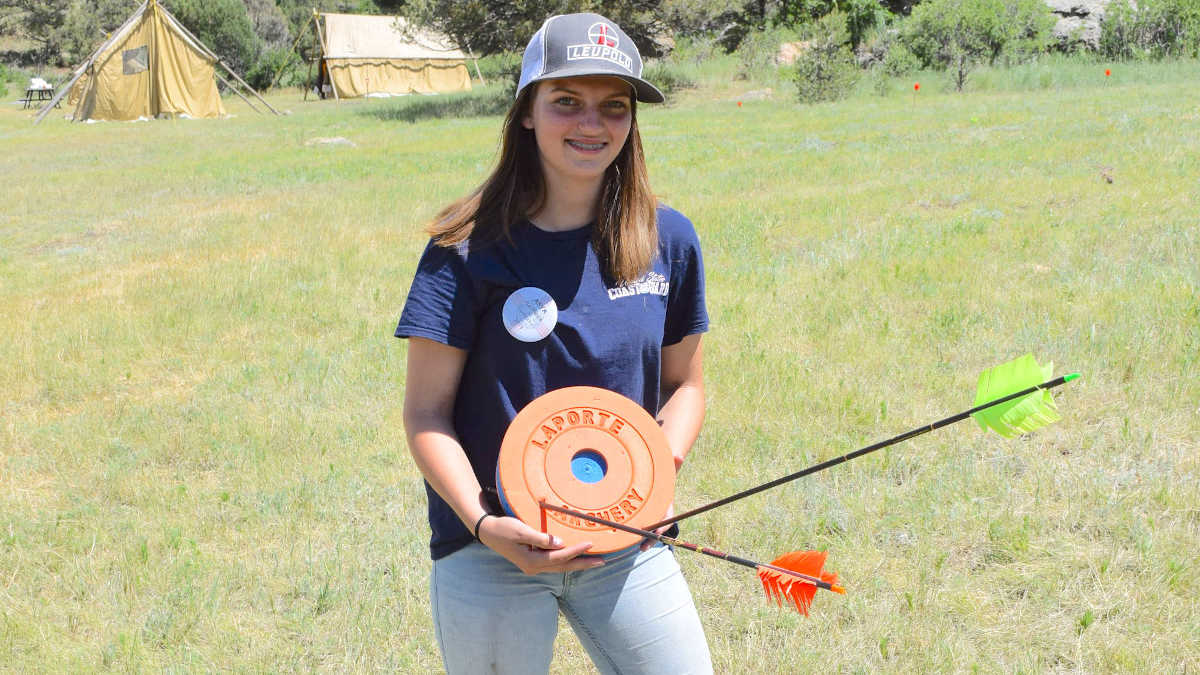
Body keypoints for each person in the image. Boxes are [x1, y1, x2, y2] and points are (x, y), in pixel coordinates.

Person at [396, 12, 713, 674]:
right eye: (566, 101)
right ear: (527, 114)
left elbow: (686, 385)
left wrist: (658, 470)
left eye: (613, 106)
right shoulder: (463, 248)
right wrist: (486, 524)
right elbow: (427, 413)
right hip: (491, 548)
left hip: (626, 538)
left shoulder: (670, 239)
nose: (592, 124)